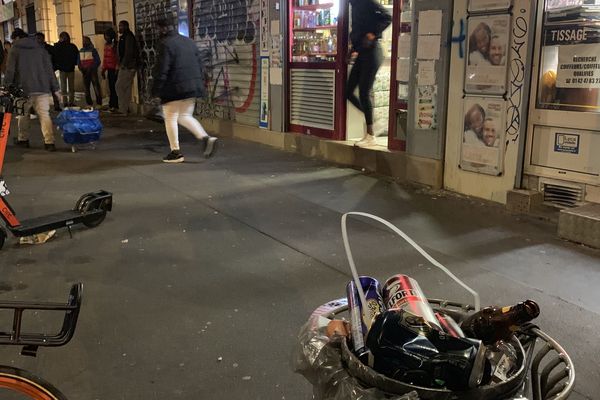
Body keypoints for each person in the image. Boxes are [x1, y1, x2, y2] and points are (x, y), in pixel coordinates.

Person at [152, 18, 217, 163]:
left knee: (170, 118)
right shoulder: (189, 41)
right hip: (192, 86)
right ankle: (206, 138)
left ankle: (176, 152)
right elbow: (200, 65)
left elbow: (162, 70)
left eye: (158, 29)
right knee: (185, 116)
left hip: (174, 87)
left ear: (162, 29)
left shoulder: (165, 44)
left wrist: (156, 90)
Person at [4, 28, 60, 151]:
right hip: (42, 87)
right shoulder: (40, 49)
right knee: (44, 115)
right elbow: (49, 70)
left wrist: (7, 85)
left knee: (23, 114)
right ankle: (49, 142)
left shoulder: (15, 49)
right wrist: (55, 88)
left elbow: (10, 70)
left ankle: (23, 139)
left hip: (23, 88)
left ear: (17, 38)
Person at [346, 0, 391, 147]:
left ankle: (370, 134)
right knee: (348, 91)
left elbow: (387, 16)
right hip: (362, 52)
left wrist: (373, 34)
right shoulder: (354, 5)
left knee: (364, 91)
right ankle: (375, 120)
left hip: (373, 51)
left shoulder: (367, 2)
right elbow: (358, 31)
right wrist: (352, 49)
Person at [115, 20, 140, 115]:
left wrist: (123, 64)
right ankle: (125, 108)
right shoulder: (125, 37)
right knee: (126, 87)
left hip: (128, 66)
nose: (119, 28)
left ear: (125, 26)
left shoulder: (128, 37)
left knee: (119, 86)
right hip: (128, 65)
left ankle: (123, 108)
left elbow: (128, 52)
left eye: (121, 26)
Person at [35, 32, 61, 111]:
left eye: (39, 38)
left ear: (43, 39)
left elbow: (56, 58)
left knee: (54, 89)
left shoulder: (49, 48)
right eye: (36, 39)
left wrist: (54, 68)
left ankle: (57, 106)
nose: (37, 40)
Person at [54, 32, 79, 107]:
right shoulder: (59, 46)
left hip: (70, 69)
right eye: (62, 37)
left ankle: (71, 102)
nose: (64, 38)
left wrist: (74, 63)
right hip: (63, 69)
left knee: (71, 87)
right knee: (63, 87)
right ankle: (65, 102)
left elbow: (76, 55)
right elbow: (56, 54)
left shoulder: (72, 46)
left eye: (65, 37)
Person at [78, 36, 102, 108]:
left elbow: (97, 61)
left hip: (92, 71)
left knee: (96, 87)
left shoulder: (93, 50)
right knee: (86, 88)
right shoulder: (81, 50)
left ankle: (99, 103)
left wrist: (91, 67)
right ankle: (89, 103)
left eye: (85, 41)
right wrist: (80, 67)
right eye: (83, 41)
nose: (84, 42)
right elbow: (79, 60)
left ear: (89, 41)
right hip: (84, 71)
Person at [101, 28, 119, 112]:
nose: (105, 37)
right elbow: (105, 58)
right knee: (111, 87)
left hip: (114, 68)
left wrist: (116, 67)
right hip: (109, 68)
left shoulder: (115, 45)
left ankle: (115, 105)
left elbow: (117, 57)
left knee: (114, 87)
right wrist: (103, 69)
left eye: (107, 36)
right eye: (105, 36)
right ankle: (112, 104)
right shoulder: (106, 45)